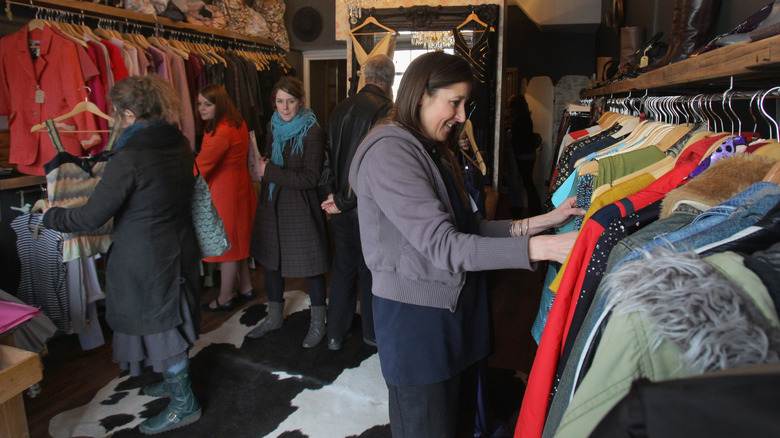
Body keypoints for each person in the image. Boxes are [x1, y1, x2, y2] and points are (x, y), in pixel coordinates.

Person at [348, 52, 584, 437]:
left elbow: (471, 228)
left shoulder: (434, 149)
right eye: (454, 102)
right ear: (421, 95)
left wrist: (543, 223)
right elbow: (446, 247)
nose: (461, 116)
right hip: (418, 326)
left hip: (454, 314)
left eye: (464, 104)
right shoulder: (391, 153)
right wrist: (543, 249)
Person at [42, 75, 202, 434]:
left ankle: (184, 403)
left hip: (146, 257)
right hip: (178, 244)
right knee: (173, 317)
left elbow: (90, 216)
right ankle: (174, 382)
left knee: (162, 327)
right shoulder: (177, 141)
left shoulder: (130, 157)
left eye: (118, 114)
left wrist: (51, 216)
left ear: (129, 114)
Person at [247, 76, 330, 348]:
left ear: (300, 101)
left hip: (301, 207)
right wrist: (265, 167)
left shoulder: (313, 131)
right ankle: (274, 317)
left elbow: (309, 178)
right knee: (271, 263)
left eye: (290, 101)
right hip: (272, 204)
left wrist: (269, 171)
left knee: (312, 265)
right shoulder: (273, 123)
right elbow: (270, 157)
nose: (284, 108)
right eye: (280, 101)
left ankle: (318, 322)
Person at [320, 54, 395, 351]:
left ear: (365, 77)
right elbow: (372, 166)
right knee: (371, 269)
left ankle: (335, 334)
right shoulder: (386, 110)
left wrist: (331, 197)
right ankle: (372, 334)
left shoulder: (339, 107)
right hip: (365, 206)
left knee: (343, 268)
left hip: (340, 205)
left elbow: (325, 158)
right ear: (389, 81)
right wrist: (343, 199)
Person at [196, 84, 258, 312]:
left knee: (228, 246)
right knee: (238, 243)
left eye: (207, 104)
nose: (201, 108)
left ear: (218, 104)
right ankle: (246, 287)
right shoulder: (237, 121)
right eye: (199, 103)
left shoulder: (220, 131)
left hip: (225, 193)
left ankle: (225, 296)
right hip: (240, 190)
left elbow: (202, 168)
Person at [507, 93, 542, 216]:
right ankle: (535, 209)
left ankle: (534, 209)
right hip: (529, 154)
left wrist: (511, 137)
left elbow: (520, 139)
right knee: (528, 182)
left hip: (523, 154)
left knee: (526, 182)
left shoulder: (520, 119)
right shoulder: (526, 117)